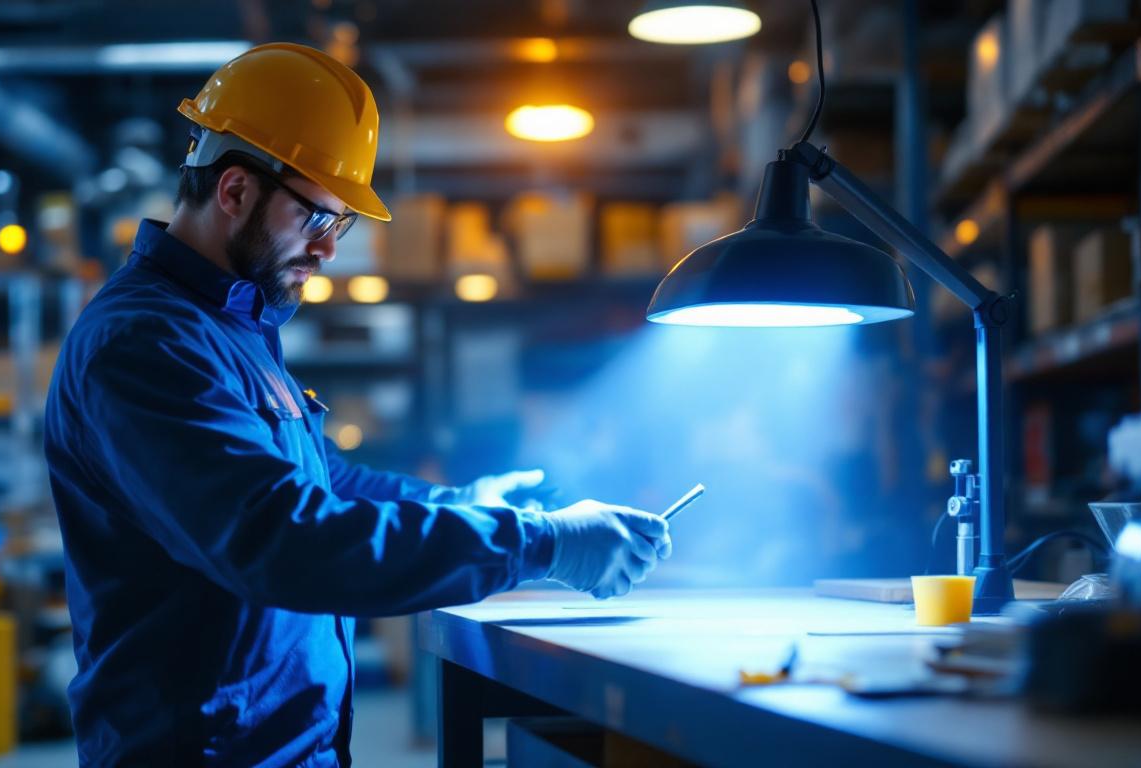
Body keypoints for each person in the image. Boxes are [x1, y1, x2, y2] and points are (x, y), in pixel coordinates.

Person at [43, 42, 672, 767]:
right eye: (318, 218)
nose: (329, 251)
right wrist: (537, 543)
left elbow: (324, 483)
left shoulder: (230, 330)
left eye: (340, 225)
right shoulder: (144, 345)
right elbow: (280, 537)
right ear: (236, 191)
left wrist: (462, 502)